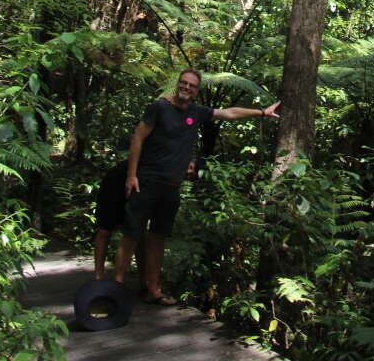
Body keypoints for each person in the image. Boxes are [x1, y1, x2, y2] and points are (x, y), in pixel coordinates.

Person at [114, 66, 280, 305]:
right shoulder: (159, 107)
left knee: (158, 236)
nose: (186, 88)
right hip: (147, 181)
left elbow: (228, 113)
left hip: (171, 187)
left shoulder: (197, 112)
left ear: (196, 91)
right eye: (183, 83)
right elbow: (137, 137)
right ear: (178, 83)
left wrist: (262, 112)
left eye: (191, 85)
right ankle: (116, 286)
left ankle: (153, 289)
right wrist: (132, 175)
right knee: (131, 233)